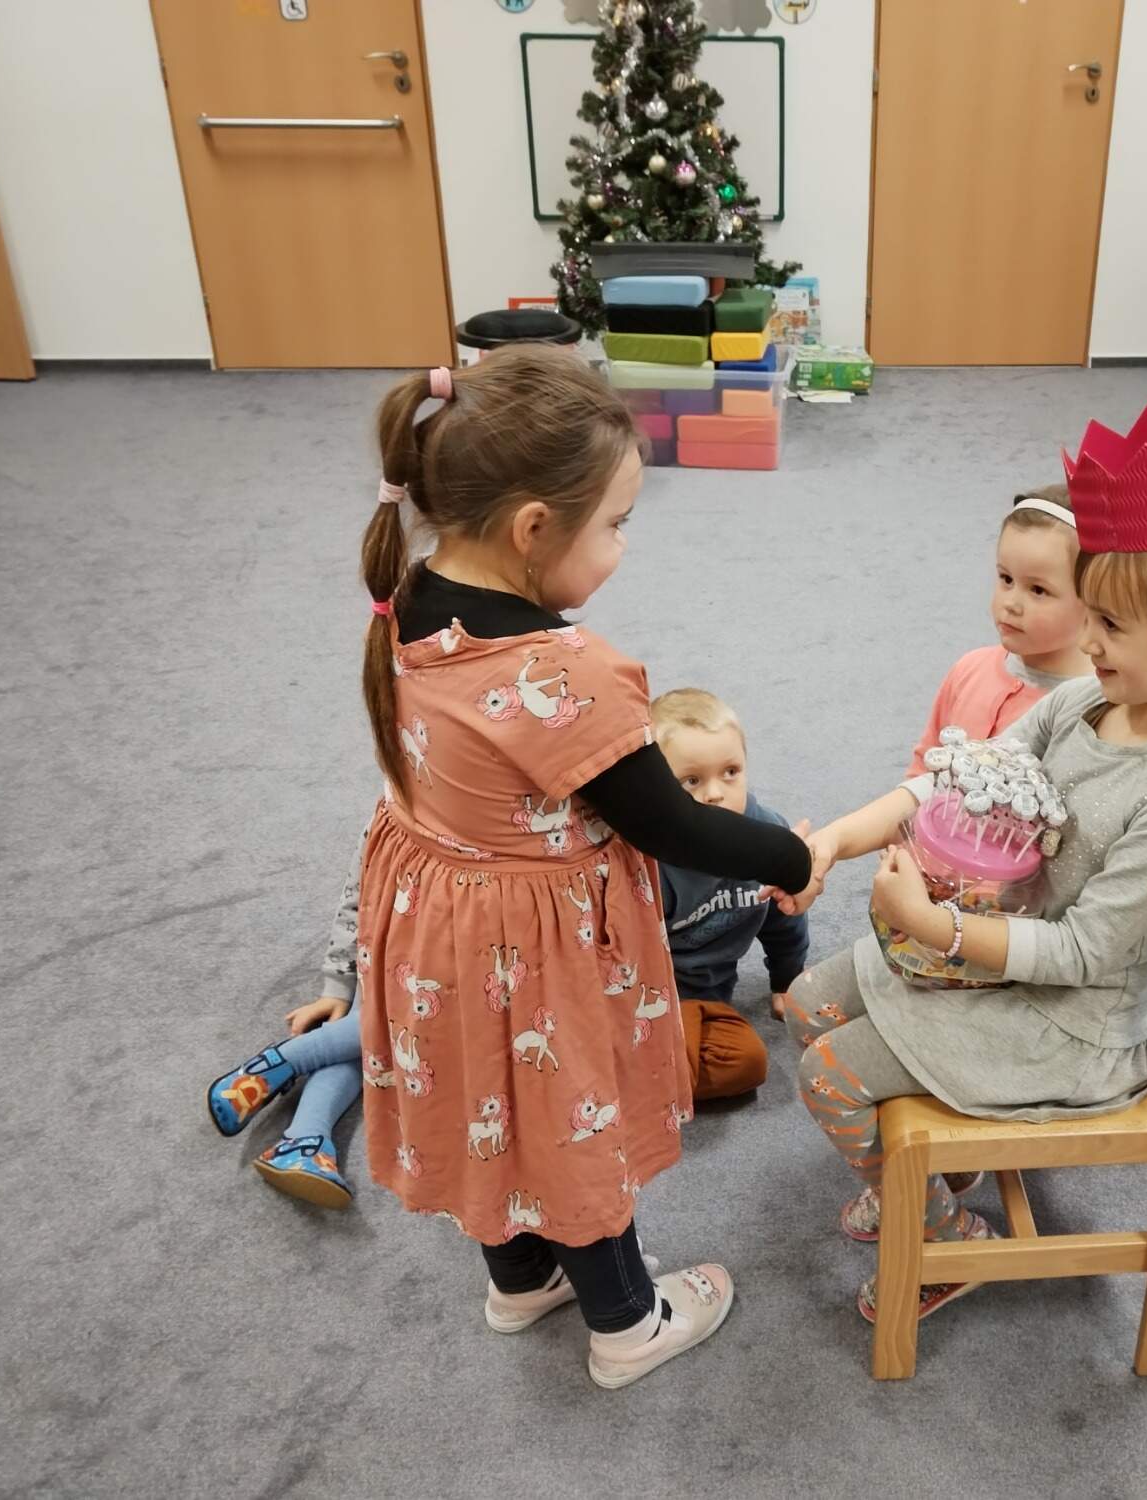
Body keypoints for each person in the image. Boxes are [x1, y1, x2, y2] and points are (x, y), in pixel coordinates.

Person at [352, 349, 818, 1388]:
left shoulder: (405, 596)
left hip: (440, 922)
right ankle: (626, 1323)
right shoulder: (563, 675)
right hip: (530, 944)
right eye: (613, 524)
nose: (620, 546)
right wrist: (790, 854)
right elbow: (674, 826)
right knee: (569, 1116)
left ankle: (522, 1279)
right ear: (532, 528)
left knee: (492, 1103)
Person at [790, 396, 1147, 1323]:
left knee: (829, 1075)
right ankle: (932, 1169)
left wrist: (934, 925)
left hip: (1069, 1022)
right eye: (1090, 615)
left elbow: (1087, 956)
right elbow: (960, 778)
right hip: (1003, 944)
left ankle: (946, 1237)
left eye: (1110, 626)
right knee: (806, 1003)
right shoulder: (1094, 701)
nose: (1086, 642)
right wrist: (839, 841)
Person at [204, 821, 372, 1207]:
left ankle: (301, 1135)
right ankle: (283, 1071)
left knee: (374, 1039)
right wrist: (338, 983)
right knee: (400, 1027)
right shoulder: (398, 810)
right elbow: (360, 889)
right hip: (411, 955)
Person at [651, 687, 808, 1085]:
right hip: (646, 998)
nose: (716, 793)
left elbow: (786, 919)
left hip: (709, 998)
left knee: (745, 1063)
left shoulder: (767, 834)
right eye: (691, 780)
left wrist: (786, 981)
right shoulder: (647, 859)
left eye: (731, 772)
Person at [905, 483, 1092, 777]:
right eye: (1006, 578)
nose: (1011, 603)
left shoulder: (1091, 709)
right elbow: (925, 763)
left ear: (1094, 599)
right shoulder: (969, 669)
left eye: (1038, 590)